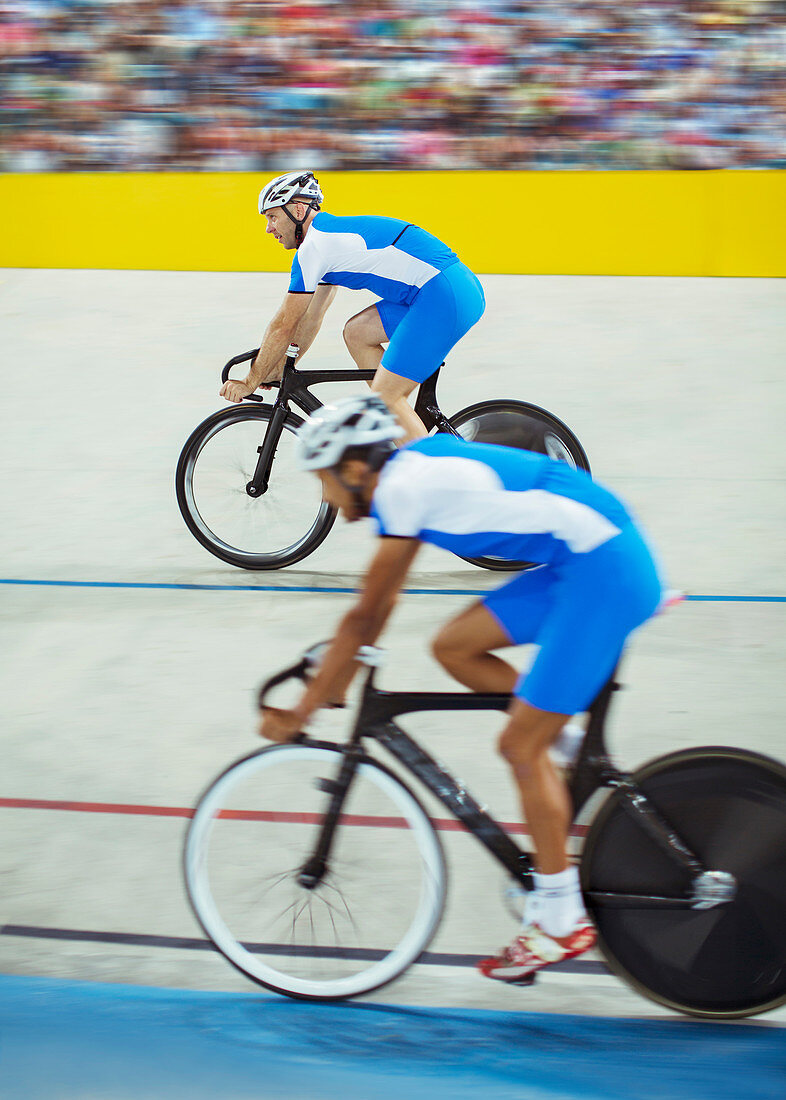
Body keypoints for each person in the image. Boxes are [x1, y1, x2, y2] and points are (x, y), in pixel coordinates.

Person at [259, 394, 666, 984]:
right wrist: (334, 679)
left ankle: (560, 918)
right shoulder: (414, 465)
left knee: (518, 748)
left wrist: (300, 712)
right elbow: (372, 617)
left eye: (323, 479)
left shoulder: (402, 491)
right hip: (586, 555)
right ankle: (566, 742)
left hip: (602, 570)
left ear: (353, 470)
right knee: (454, 646)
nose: (323, 496)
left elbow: (367, 616)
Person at [219, 170, 486, 442]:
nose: (268, 228)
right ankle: (399, 424)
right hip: (450, 290)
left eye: (272, 217)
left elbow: (283, 325)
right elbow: (311, 316)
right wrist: (284, 365)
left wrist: (250, 380)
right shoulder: (323, 242)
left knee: (386, 397)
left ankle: (422, 469)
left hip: (442, 296)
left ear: (298, 210)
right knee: (357, 332)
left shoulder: (313, 248)